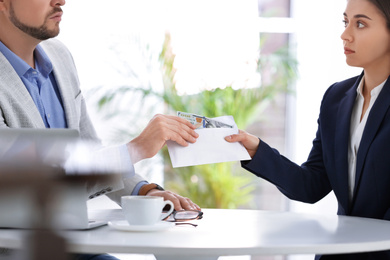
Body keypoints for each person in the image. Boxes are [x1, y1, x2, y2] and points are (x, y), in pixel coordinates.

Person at [0, 0, 200, 259]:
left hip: (73, 245)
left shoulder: (59, 56)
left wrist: (143, 191)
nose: (60, 0)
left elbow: (88, 152)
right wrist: (136, 149)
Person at [226, 0, 390, 259]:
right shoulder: (337, 98)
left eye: (360, 24)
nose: (345, 34)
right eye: (346, 22)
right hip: (339, 253)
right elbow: (312, 185)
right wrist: (257, 151)